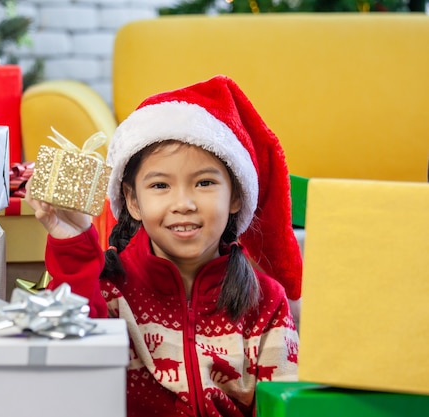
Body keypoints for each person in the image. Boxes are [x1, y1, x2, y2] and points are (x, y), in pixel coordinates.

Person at [26, 75, 302, 417]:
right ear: (133, 200)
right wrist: (72, 246)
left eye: (204, 182)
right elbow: (64, 364)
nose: (183, 203)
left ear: (235, 196)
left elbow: (287, 404)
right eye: (160, 185)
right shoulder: (109, 291)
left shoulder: (265, 303)